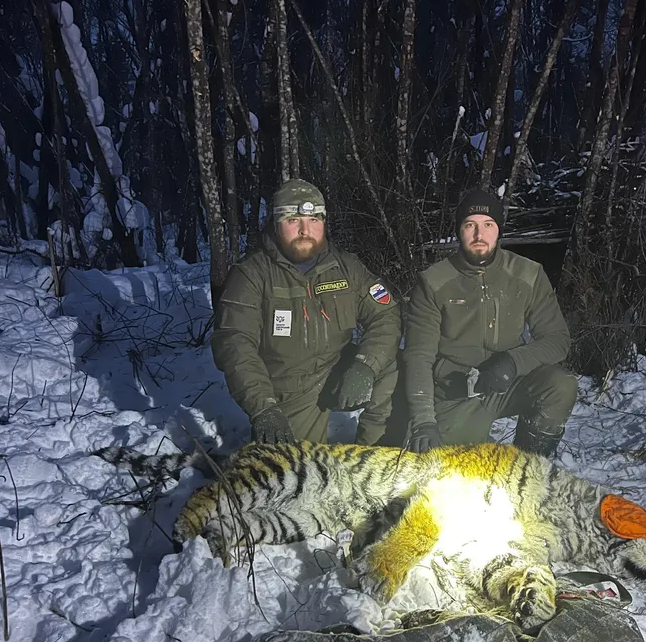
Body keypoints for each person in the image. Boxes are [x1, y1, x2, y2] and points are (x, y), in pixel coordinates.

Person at [212, 178, 401, 445]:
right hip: (288, 390)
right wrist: (263, 406)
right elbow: (234, 344)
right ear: (276, 225)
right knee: (294, 470)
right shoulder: (251, 275)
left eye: (314, 220)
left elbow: (385, 314)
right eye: (293, 220)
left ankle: (373, 455)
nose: (305, 229)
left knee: (396, 366)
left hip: (338, 370)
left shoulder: (347, 267)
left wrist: (365, 365)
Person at [403, 188, 577, 458]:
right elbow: (418, 356)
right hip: (456, 390)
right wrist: (424, 420)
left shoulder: (527, 274)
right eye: (470, 225)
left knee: (560, 385)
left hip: (508, 382)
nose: (479, 235)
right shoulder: (434, 282)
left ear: (499, 230)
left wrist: (513, 361)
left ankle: (527, 466)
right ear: (459, 231)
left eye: (488, 225)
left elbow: (557, 339)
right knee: (455, 475)